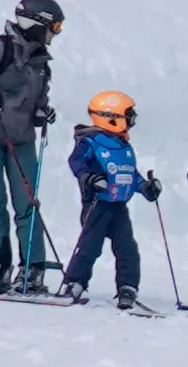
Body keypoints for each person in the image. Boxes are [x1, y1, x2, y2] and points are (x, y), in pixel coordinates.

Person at [0, 0, 65, 290]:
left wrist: (42, 113)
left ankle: (33, 268)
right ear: (36, 23)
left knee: (27, 204)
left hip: (21, 140)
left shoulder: (41, 63)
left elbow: (37, 100)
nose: (54, 33)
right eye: (53, 27)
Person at [62, 88, 158, 307]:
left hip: (118, 206)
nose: (132, 120)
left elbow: (130, 174)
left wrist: (145, 187)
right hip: (97, 204)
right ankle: (75, 282)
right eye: (128, 115)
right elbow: (76, 162)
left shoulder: (124, 145)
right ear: (112, 118)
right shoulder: (90, 142)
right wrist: (89, 178)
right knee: (89, 246)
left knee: (127, 248)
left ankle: (128, 286)